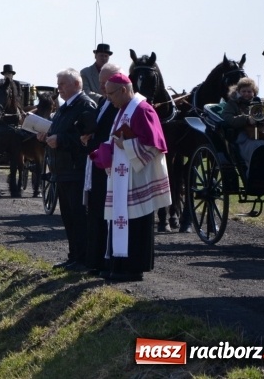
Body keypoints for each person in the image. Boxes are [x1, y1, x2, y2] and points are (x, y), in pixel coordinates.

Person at [100, 73, 171, 282]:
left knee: (137, 221)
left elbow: (153, 145)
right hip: (123, 175)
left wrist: (127, 145)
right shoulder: (123, 109)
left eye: (111, 93)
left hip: (137, 177)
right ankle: (118, 264)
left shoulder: (142, 109)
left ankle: (134, 267)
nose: (108, 98)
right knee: (120, 218)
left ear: (123, 90)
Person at [37, 68, 96, 269]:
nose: (59, 88)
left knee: (79, 217)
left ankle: (83, 259)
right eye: (58, 83)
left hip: (76, 170)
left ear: (77, 85)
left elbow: (88, 138)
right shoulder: (64, 108)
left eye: (62, 83)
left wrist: (60, 140)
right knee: (68, 217)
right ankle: (73, 256)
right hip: (62, 170)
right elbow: (59, 131)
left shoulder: (85, 105)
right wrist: (46, 135)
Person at [80, 63, 122, 276]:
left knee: (104, 214)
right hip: (97, 162)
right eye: (101, 82)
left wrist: (93, 139)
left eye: (106, 82)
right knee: (95, 213)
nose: (103, 86)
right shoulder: (104, 102)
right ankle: (95, 260)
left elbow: (112, 135)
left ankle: (104, 261)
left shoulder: (118, 105)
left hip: (107, 165)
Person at [221, 77, 264, 172]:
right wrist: (246, 119)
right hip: (243, 136)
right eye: (244, 91)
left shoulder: (261, 103)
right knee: (256, 147)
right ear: (238, 91)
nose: (246, 94)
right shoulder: (233, 104)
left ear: (254, 92)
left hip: (262, 133)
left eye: (249, 91)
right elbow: (228, 118)